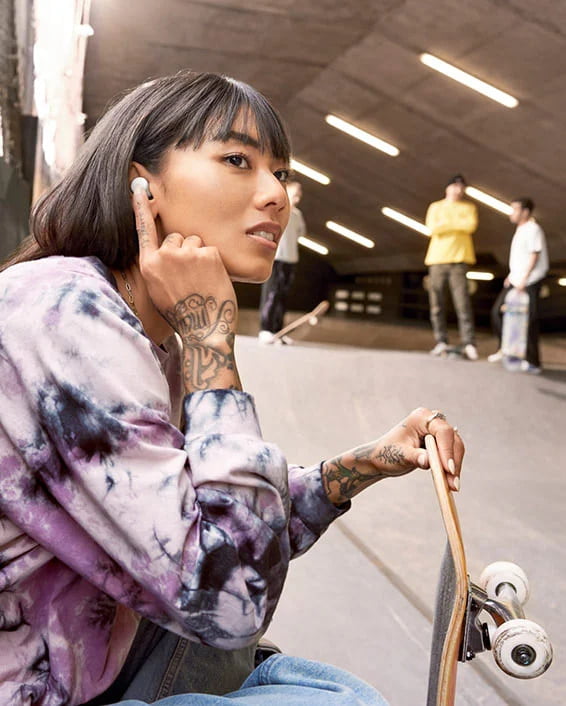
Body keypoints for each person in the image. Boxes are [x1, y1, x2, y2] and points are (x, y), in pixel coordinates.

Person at [0, 71, 463, 706]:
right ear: (143, 186)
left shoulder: (143, 331)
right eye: (238, 160)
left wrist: (361, 466)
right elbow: (231, 592)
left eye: (281, 172)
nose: (277, 195)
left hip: (99, 649)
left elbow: (224, 525)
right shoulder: (65, 316)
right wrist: (211, 339)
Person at [488, 197, 548, 373]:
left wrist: (524, 278)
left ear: (525, 212)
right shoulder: (520, 229)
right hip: (516, 279)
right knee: (498, 312)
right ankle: (505, 348)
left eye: (515, 209)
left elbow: (534, 255)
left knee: (529, 319)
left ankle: (533, 361)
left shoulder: (533, 229)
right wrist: (511, 275)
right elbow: (520, 258)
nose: (511, 213)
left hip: (530, 280)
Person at [424, 174, 479, 360]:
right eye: (455, 186)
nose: (458, 190)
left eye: (461, 187)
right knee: (436, 304)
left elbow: (470, 226)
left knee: (462, 303)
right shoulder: (436, 207)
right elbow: (433, 228)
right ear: (447, 188)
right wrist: (457, 224)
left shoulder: (469, 208)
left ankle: (469, 342)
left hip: (459, 260)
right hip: (437, 259)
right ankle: (441, 340)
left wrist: (445, 224)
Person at [258, 179, 305, 344]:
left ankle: (278, 330)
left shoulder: (297, 215)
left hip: (291, 259)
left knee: (283, 296)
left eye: (299, 195)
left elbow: (300, 233)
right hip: (276, 258)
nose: (297, 198)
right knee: (271, 293)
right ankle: (265, 329)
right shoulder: (277, 211)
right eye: (295, 194)